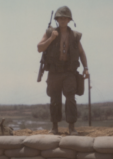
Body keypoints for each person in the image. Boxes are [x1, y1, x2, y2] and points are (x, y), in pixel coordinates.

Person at [37, 6, 89, 135]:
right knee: (54, 99)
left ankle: (71, 127)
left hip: (69, 72)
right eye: (60, 18)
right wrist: (52, 39)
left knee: (70, 98)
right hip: (54, 72)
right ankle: (54, 127)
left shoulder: (75, 36)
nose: (63, 20)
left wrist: (86, 68)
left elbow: (82, 53)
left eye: (65, 18)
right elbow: (39, 48)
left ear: (69, 20)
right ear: (57, 19)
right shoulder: (50, 33)